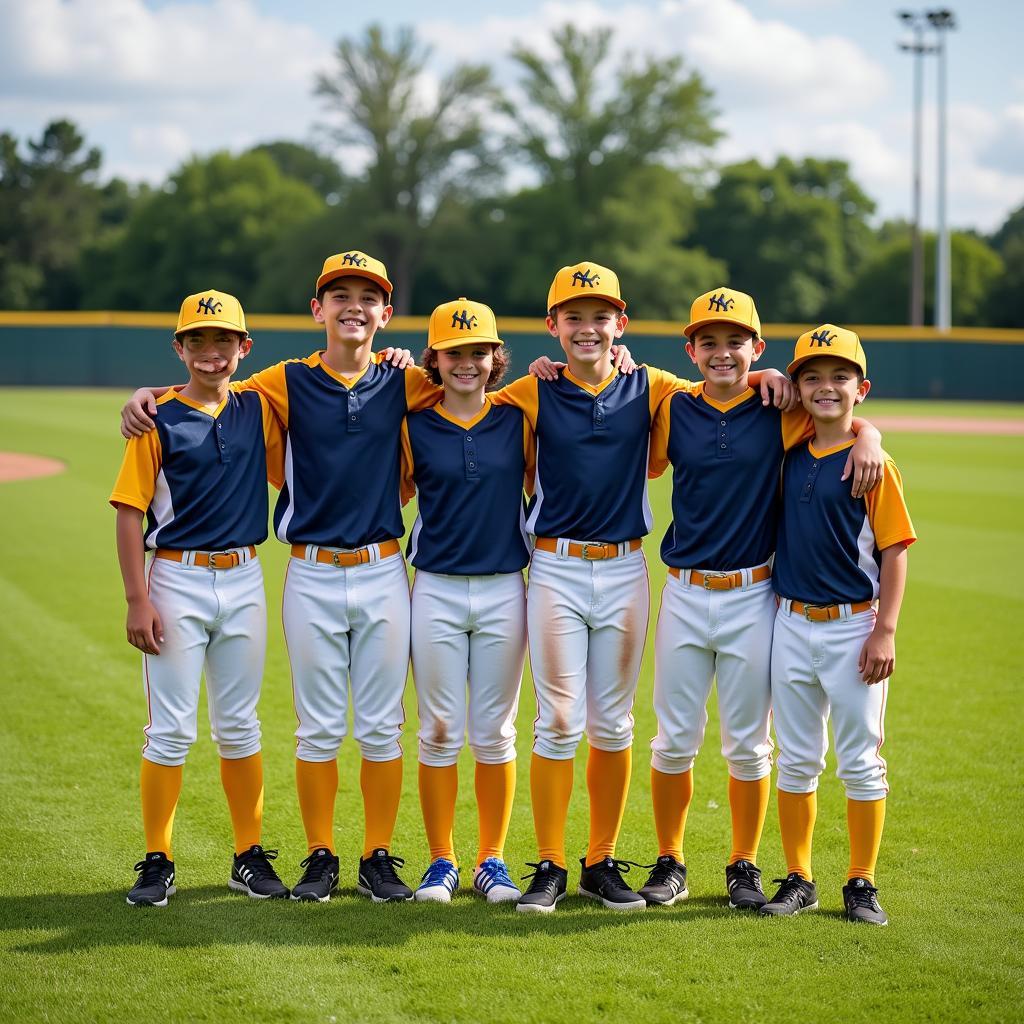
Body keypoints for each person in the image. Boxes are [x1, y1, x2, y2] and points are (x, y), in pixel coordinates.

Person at [119, 252, 434, 903]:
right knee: (304, 725)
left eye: (366, 295)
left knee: (378, 724)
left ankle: (375, 855)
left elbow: (473, 384)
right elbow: (202, 389)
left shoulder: (406, 382)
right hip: (297, 571)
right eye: (338, 294)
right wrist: (144, 395)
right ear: (317, 309)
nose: (353, 305)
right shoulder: (282, 384)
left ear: (385, 311)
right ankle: (312, 855)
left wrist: (576, 366)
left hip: (377, 569)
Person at [493, 262, 792, 913]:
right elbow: (457, 406)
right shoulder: (531, 391)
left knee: (614, 721)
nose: (589, 327)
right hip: (556, 567)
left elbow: (721, 389)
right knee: (560, 720)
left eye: (601, 316)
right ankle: (548, 864)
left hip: (626, 567)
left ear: (621, 324)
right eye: (574, 316)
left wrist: (773, 376)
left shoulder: (653, 386)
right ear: (553, 326)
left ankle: (599, 861)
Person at [640, 289, 884, 911]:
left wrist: (869, 435)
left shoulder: (781, 409)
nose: (723, 353)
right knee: (673, 738)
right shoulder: (672, 405)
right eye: (710, 341)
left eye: (736, 340)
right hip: (686, 592)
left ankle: (743, 864)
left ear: (757, 347)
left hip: (756, 594)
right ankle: (670, 861)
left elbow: (839, 412)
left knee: (749, 742)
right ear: (690, 349)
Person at [111, 289, 289, 906]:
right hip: (177, 579)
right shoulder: (156, 417)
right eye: (197, 341)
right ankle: (157, 858)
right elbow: (130, 513)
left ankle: (248, 853)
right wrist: (138, 597)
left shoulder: (260, 404)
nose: (210, 353)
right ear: (179, 348)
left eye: (223, 341)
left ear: (245, 347)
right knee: (170, 730)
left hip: (243, 578)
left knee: (241, 725)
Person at [760, 324, 915, 926]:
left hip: (854, 626)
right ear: (795, 388)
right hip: (791, 622)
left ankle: (862, 880)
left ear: (862, 388)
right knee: (796, 759)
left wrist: (887, 630)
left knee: (860, 760)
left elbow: (895, 549)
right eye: (812, 377)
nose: (827, 387)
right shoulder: (788, 452)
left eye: (840, 377)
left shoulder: (873, 463)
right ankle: (799, 876)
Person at [401, 298, 533, 904]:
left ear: (494, 358)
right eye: (455, 353)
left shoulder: (519, 414)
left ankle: (492, 860)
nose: (468, 364)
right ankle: (441, 861)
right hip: (436, 589)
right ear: (435, 358)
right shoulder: (413, 420)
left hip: (506, 586)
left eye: (479, 352)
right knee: (439, 729)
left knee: (495, 731)